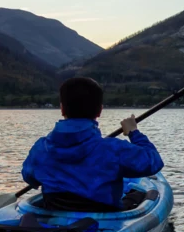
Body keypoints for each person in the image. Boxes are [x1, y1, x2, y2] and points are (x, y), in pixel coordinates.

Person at [22, 77, 164, 211]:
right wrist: (134, 132)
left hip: (56, 218)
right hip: (105, 219)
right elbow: (153, 162)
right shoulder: (113, 149)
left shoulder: (41, 149)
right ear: (100, 111)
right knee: (137, 195)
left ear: (62, 109)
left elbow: (29, 177)